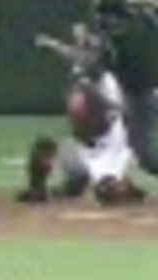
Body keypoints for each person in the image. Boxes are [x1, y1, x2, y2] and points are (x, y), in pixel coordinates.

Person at [15, 23, 146, 206]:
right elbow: (75, 57)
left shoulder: (109, 83)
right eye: (85, 51)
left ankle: (122, 186)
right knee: (44, 147)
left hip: (107, 149)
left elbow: (117, 115)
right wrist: (53, 44)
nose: (85, 56)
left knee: (106, 194)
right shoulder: (84, 72)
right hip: (82, 145)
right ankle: (38, 190)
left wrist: (108, 105)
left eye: (91, 53)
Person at [90, 0, 158, 196]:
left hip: (144, 98)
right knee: (126, 146)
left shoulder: (121, 35)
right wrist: (138, 4)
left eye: (102, 16)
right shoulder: (133, 26)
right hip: (135, 96)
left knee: (148, 156)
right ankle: (123, 184)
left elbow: (99, 64)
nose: (99, 21)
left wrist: (134, 5)